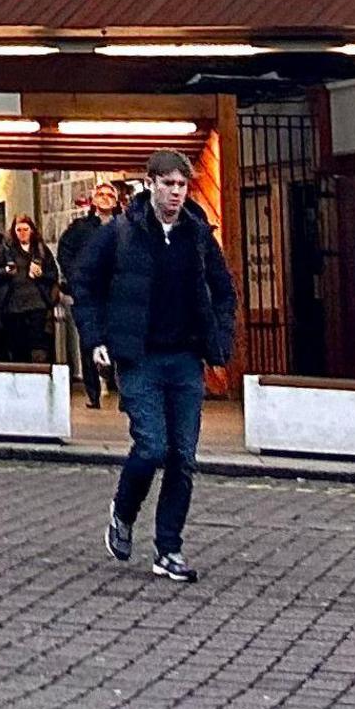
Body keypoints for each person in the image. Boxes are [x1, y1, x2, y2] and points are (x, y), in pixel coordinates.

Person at [75, 149, 239, 584]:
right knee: (151, 447)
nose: (175, 193)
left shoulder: (199, 235)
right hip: (139, 356)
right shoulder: (120, 233)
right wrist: (95, 340)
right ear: (149, 184)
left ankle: (169, 549)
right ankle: (123, 512)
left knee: (182, 457)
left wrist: (220, 337)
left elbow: (224, 289)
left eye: (182, 185)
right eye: (167, 184)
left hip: (185, 357)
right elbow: (85, 285)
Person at [59, 182, 125, 410]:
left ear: (116, 202)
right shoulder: (80, 228)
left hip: (118, 296)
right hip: (90, 296)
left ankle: (123, 392)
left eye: (110, 195)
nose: (105, 198)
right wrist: (77, 278)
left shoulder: (126, 227)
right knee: (89, 344)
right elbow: (65, 253)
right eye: (101, 194)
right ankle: (93, 393)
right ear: (93, 200)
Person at [0, 214, 56, 364]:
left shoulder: (41, 249)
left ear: (32, 230)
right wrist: (6, 270)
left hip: (37, 303)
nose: (22, 233)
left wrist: (41, 274)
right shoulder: (7, 250)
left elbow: (53, 274)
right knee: (18, 344)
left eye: (25, 229)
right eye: (19, 230)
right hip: (14, 305)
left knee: (38, 342)